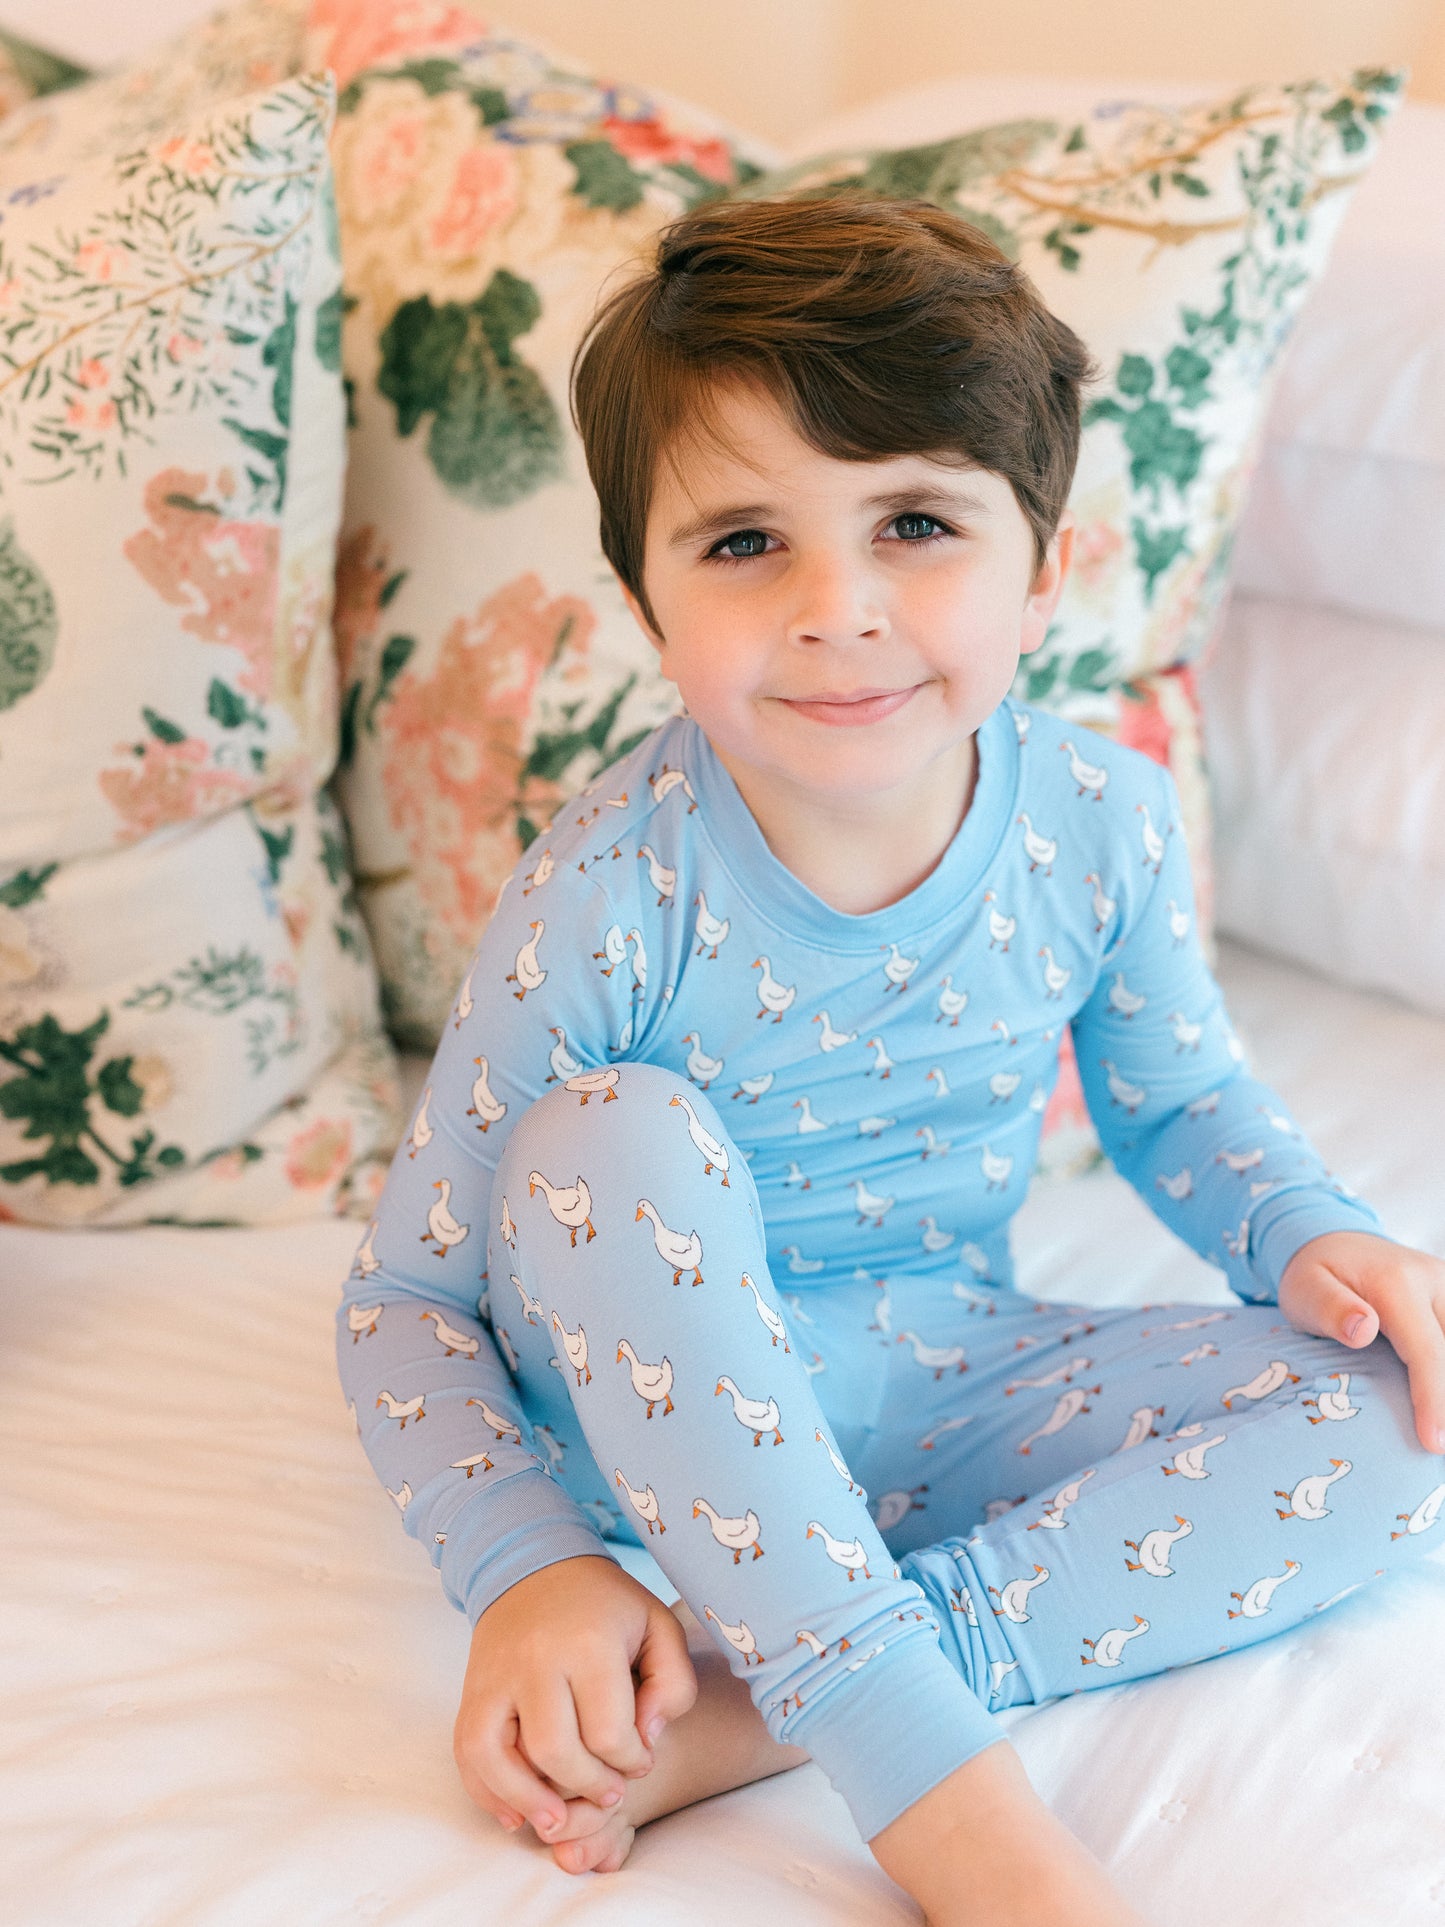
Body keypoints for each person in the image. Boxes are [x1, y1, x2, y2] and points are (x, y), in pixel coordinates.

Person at [336, 194, 1445, 1927]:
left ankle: (760, 1699)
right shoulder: (610, 893)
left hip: (941, 1379)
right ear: (642, 598)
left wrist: (1308, 1230)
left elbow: (1179, 1102)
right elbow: (406, 1301)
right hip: (643, 1426)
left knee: (1406, 1417)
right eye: (742, 542)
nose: (837, 608)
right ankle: (945, 1804)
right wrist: (528, 1567)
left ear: (1044, 568)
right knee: (611, 1130)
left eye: (915, 523)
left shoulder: (1104, 820)